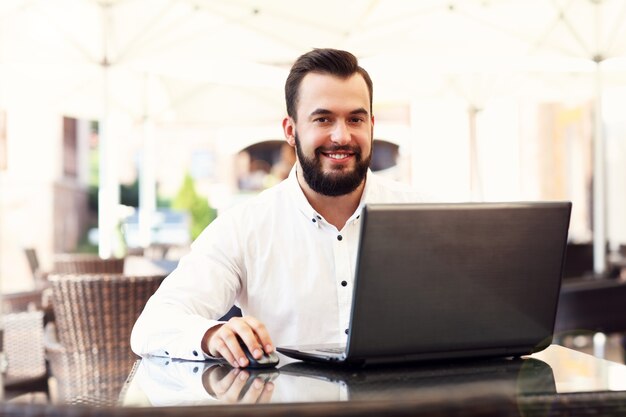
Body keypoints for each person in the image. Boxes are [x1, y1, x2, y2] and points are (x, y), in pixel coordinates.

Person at [130, 48, 422, 368]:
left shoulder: (422, 216)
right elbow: (152, 326)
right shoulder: (244, 227)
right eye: (323, 119)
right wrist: (213, 334)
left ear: (371, 126)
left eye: (355, 119)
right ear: (290, 130)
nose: (342, 136)